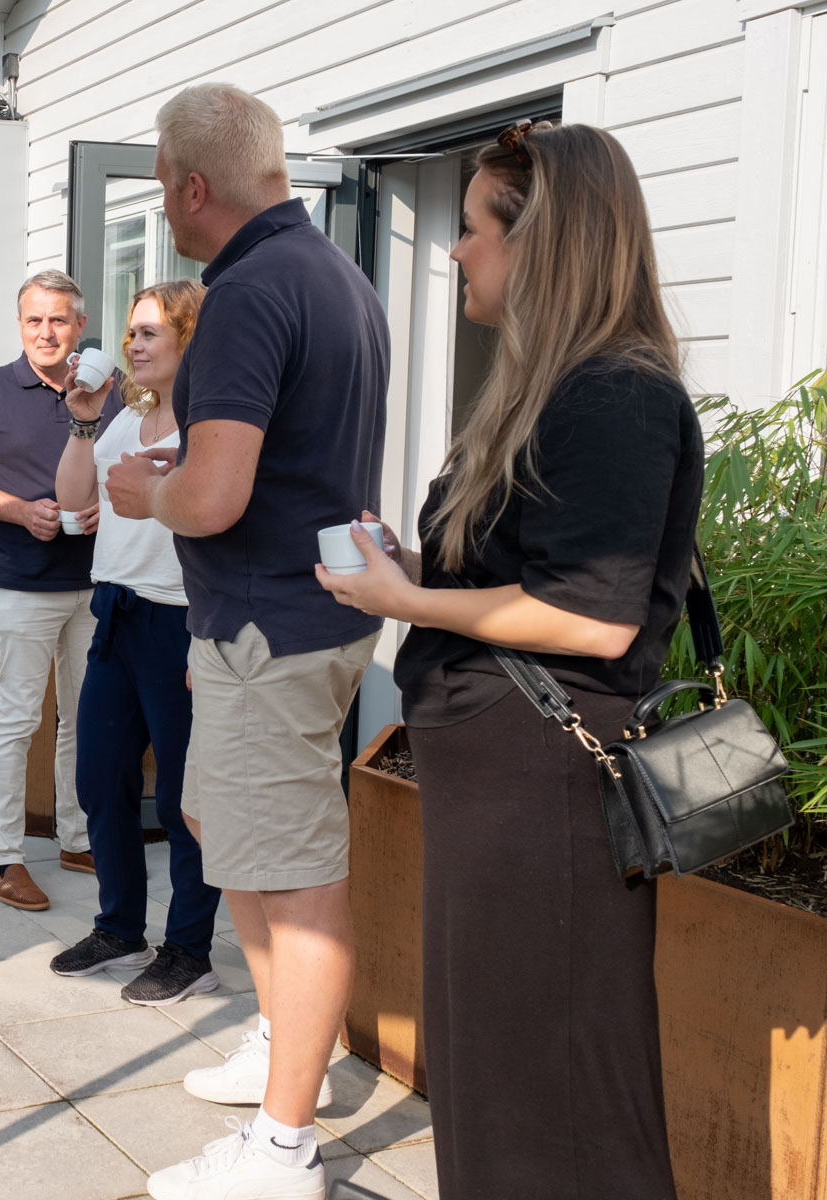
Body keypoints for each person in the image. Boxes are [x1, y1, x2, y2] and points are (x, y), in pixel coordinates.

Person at [318, 121, 697, 1200]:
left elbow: (595, 617)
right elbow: (518, 573)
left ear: (543, 240)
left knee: (555, 1101)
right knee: (501, 1082)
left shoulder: (615, 394)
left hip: (549, 808)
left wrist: (409, 598)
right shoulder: (550, 388)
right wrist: (410, 571)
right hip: (501, 800)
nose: (456, 249)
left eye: (475, 226)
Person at [107, 84, 389, 1200]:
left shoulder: (244, 291)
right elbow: (279, 465)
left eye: (161, 188)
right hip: (291, 616)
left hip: (274, 622)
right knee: (226, 823)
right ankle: (286, 1055)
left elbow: (215, 497)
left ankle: (283, 1151)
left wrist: (142, 493)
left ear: (189, 186)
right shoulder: (336, 275)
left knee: (295, 873)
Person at [49, 279, 222, 1006]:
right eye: (132, 332)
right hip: (115, 611)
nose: (134, 345)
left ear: (189, 338)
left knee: (185, 799)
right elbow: (70, 498)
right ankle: (120, 926)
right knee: (99, 777)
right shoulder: (125, 418)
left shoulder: (212, 431)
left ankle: (189, 950)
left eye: (151, 332)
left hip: (178, 621)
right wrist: (84, 422)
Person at [0, 270, 122, 910]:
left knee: (83, 718)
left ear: (80, 327)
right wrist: (18, 510)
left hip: (100, 581)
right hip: (24, 581)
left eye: (58, 320)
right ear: (21, 326)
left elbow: (137, 465)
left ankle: (77, 838)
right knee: (17, 718)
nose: (45, 332)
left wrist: (113, 506)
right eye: (33, 321)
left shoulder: (112, 392)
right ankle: (4, 858)